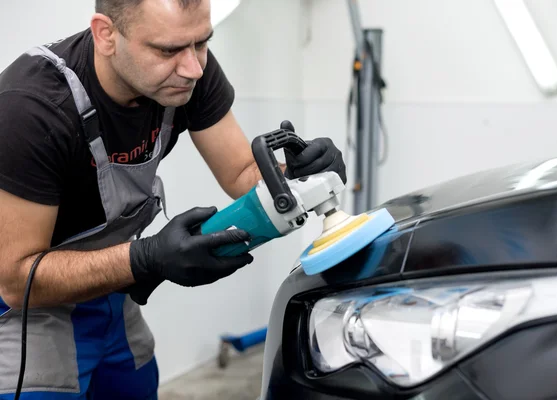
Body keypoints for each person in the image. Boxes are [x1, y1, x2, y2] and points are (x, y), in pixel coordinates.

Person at [0, 0, 347, 398]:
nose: (194, 68)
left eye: (202, 43)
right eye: (168, 50)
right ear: (106, 35)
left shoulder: (188, 71)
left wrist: (300, 178)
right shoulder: (30, 109)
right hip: (26, 305)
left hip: (112, 294)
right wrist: (146, 259)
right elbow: (15, 279)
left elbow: (242, 174)